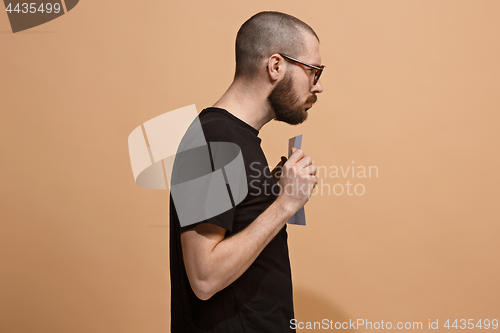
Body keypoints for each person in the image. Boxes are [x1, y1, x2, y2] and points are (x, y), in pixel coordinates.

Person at [169, 11, 324, 332]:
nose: (318, 87)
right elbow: (204, 276)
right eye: (314, 71)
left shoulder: (237, 139)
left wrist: (276, 194)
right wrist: (284, 205)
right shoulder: (216, 138)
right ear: (276, 66)